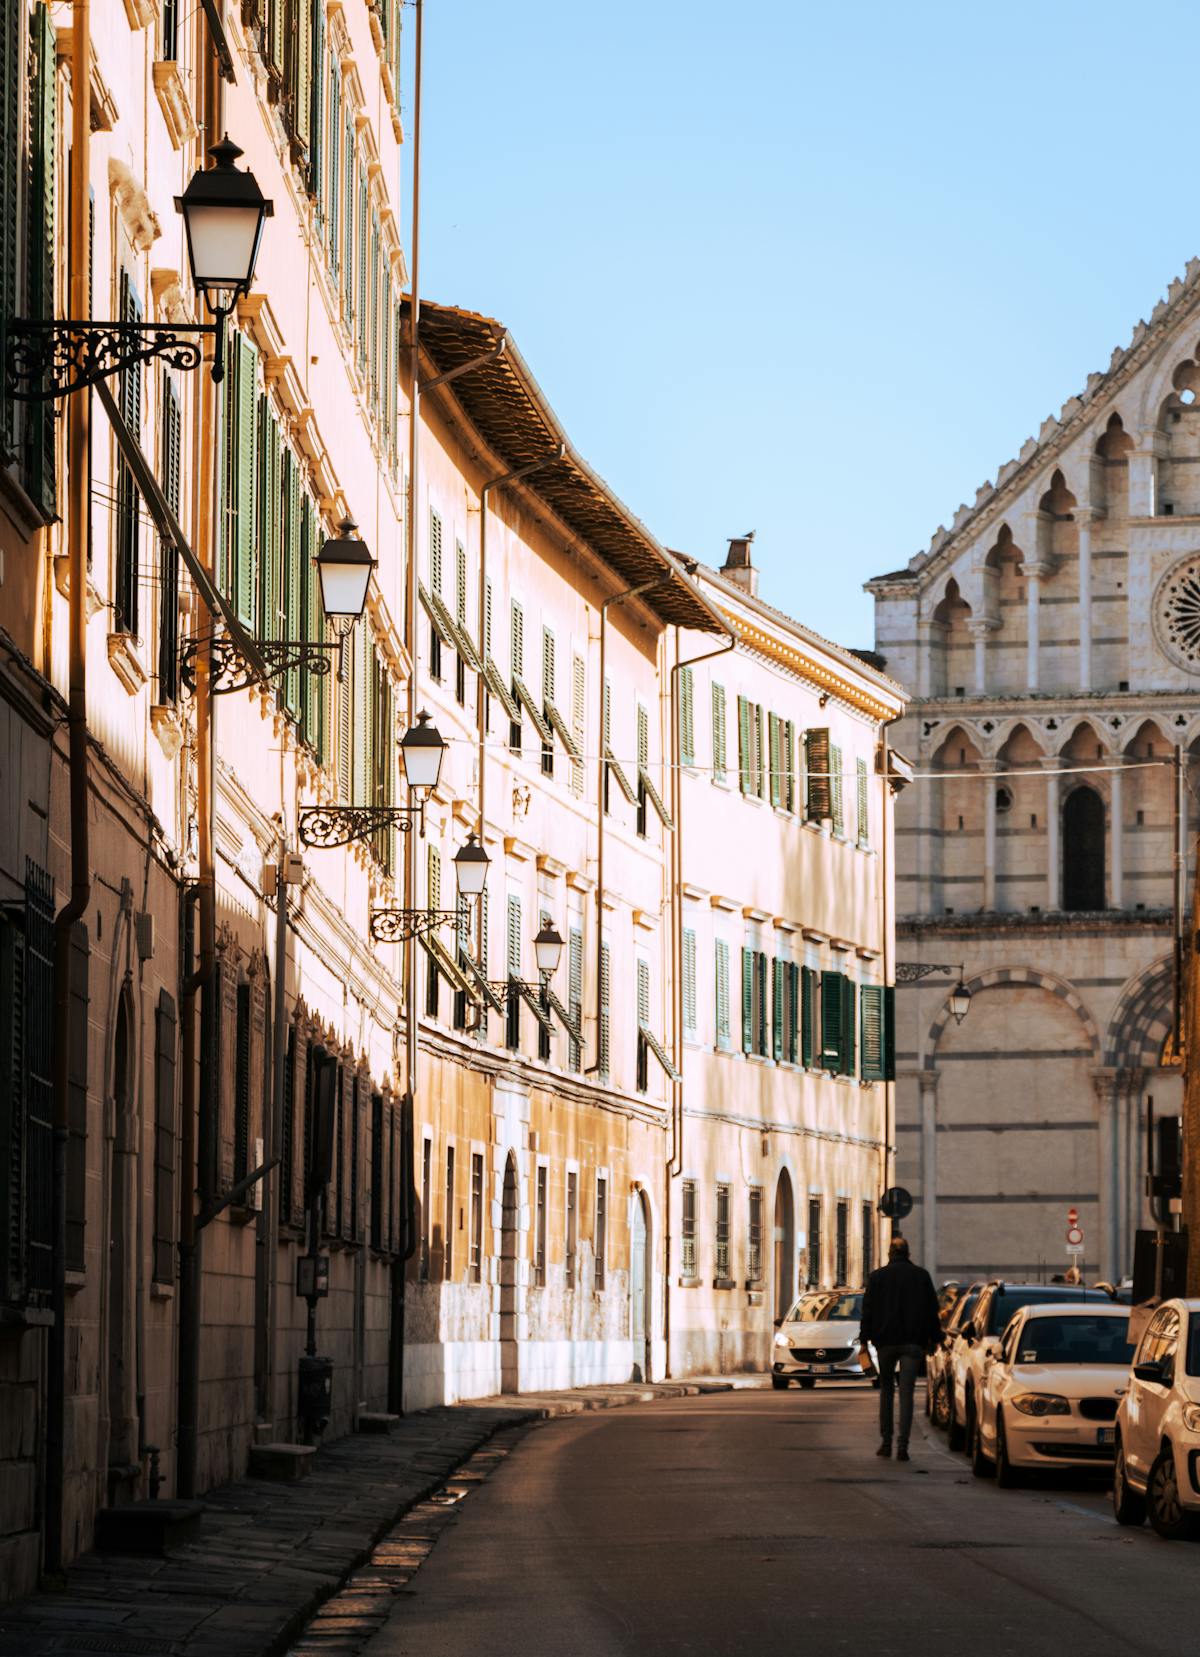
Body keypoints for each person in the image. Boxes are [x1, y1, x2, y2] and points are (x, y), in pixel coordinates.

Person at [858, 1234, 941, 1462]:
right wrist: (935, 1339)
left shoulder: (877, 1277)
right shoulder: (921, 1276)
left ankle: (886, 1443)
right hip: (913, 1343)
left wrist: (864, 1339)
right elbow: (931, 1311)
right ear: (908, 1254)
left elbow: (868, 1311)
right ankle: (903, 1446)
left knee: (886, 1391)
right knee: (907, 1394)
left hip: (885, 1343)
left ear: (889, 1254)